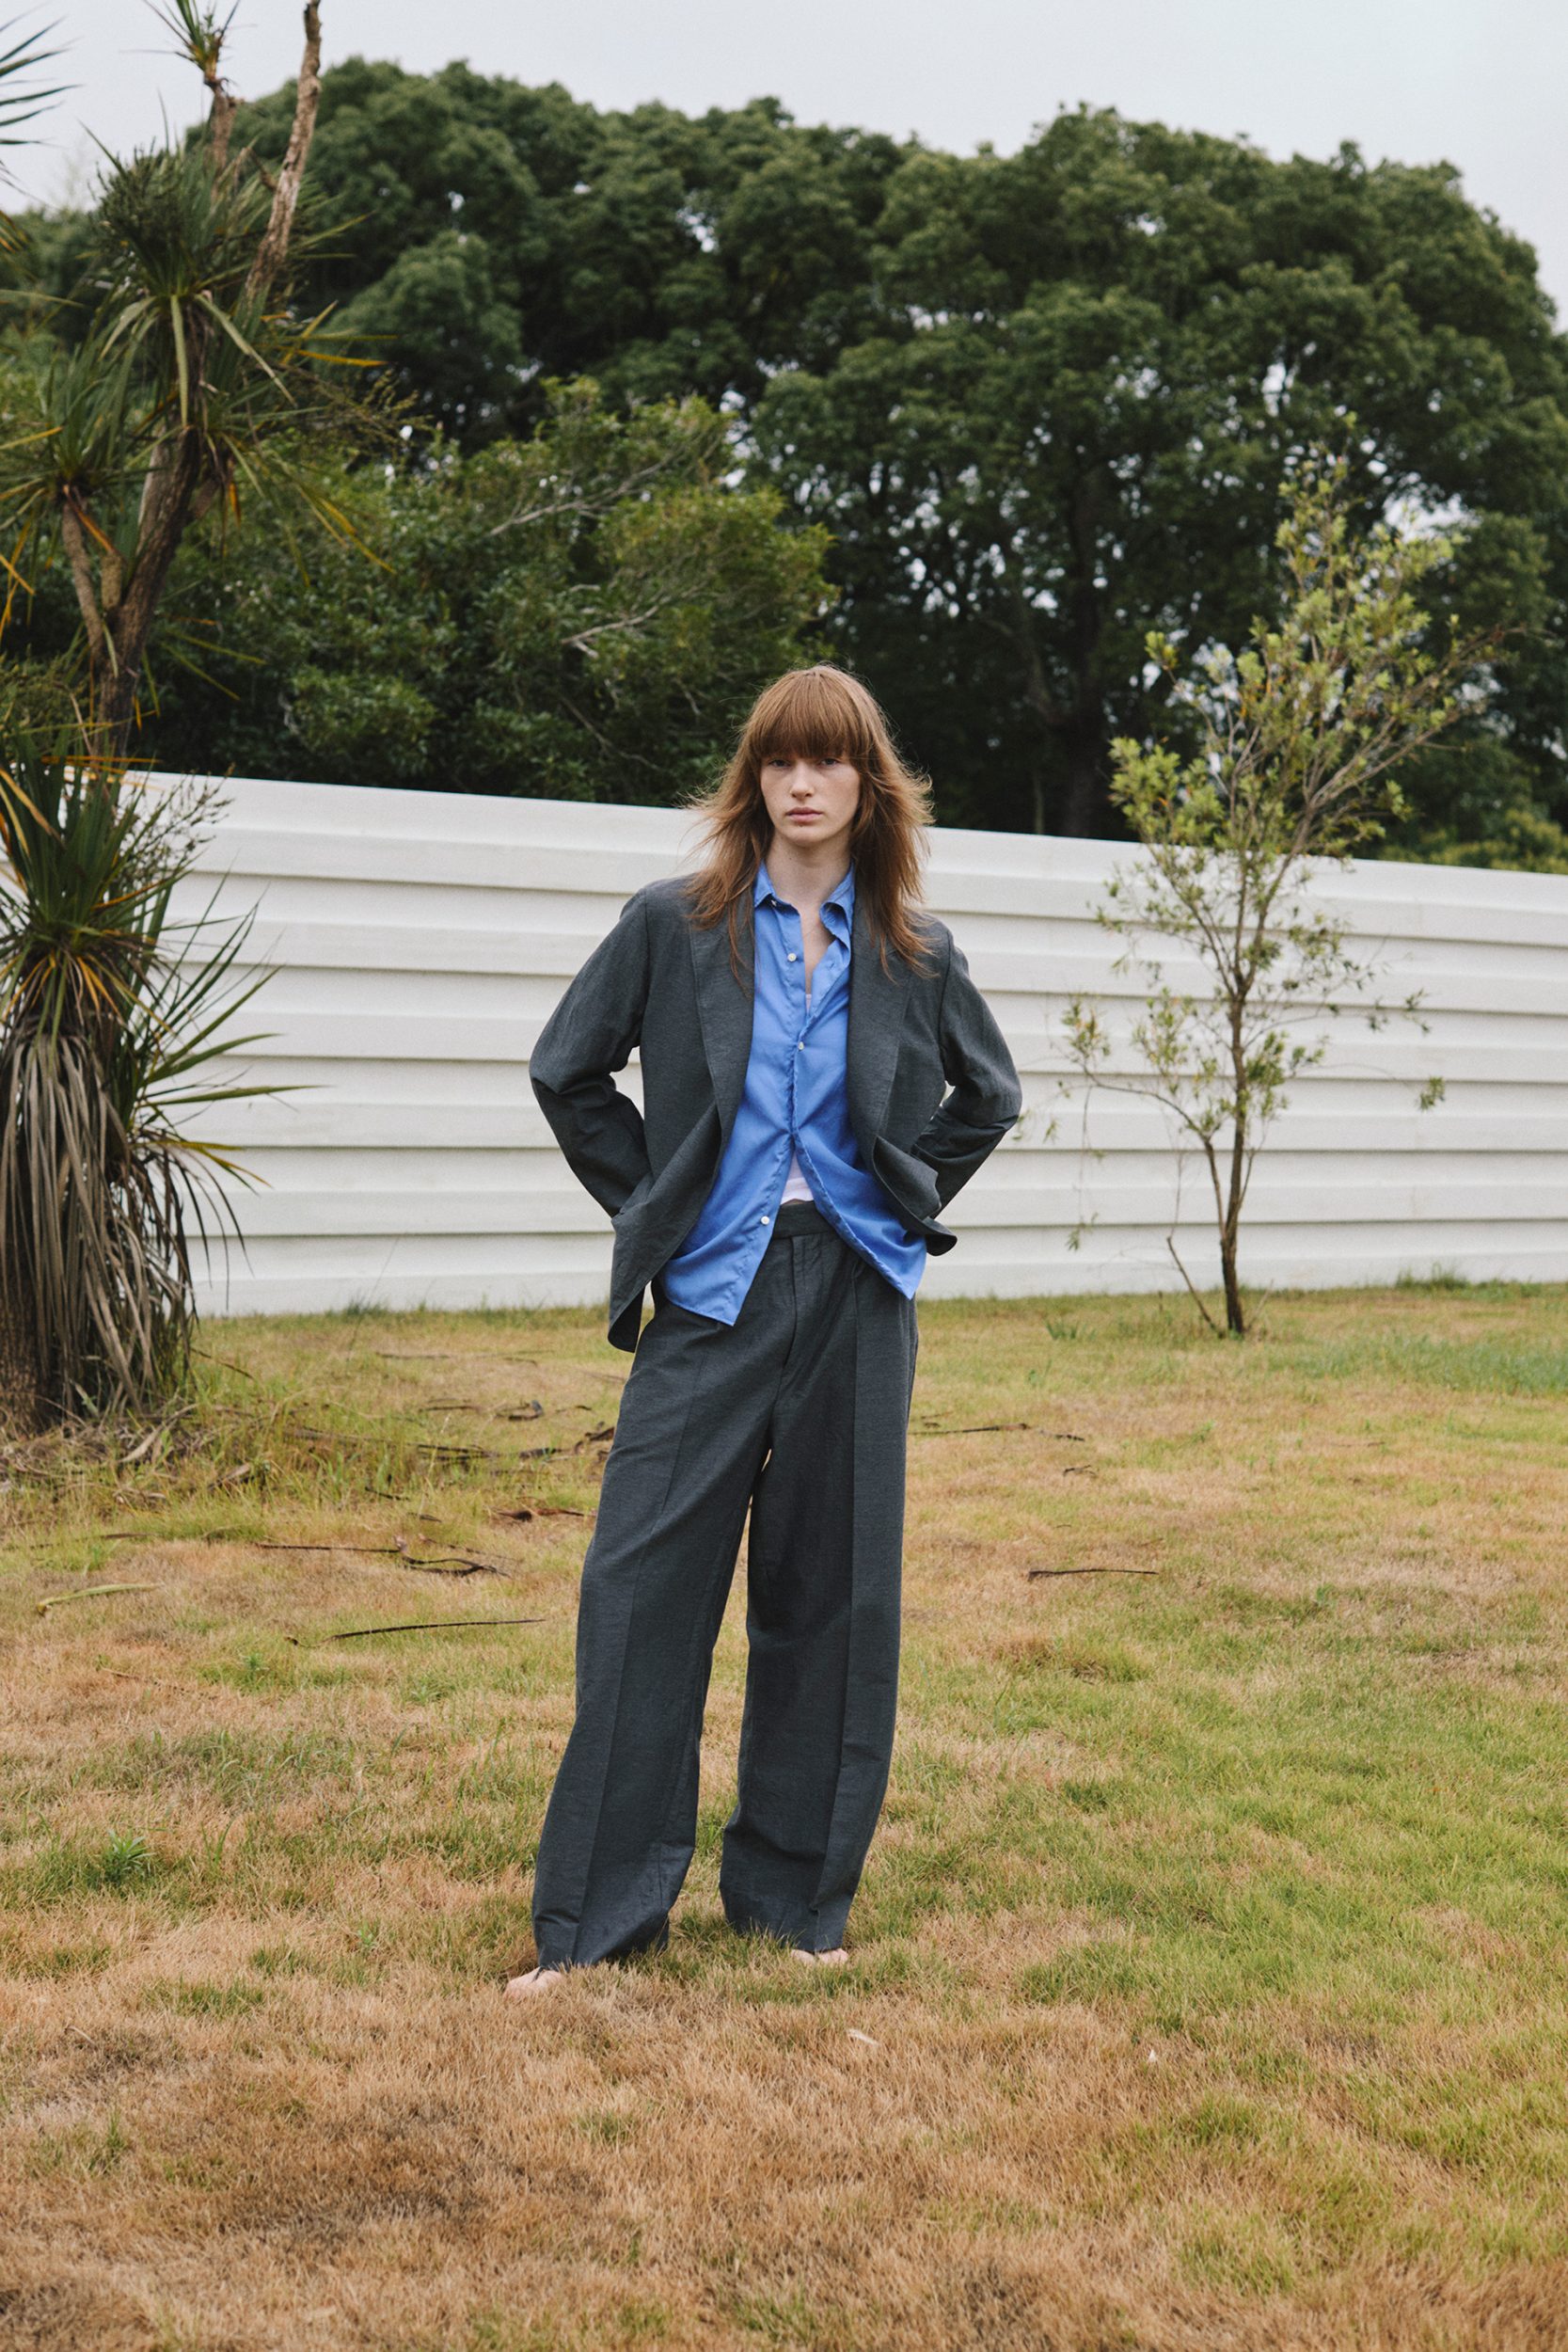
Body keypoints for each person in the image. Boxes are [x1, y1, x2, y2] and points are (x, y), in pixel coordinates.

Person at [506, 663, 1021, 1997]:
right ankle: (594, 1925)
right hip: (709, 1291)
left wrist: (904, 1197)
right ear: (755, 778)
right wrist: (656, 1204)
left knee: (835, 1601)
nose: (803, 784)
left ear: (866, 783)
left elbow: (990, 1095)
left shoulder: (914, 950)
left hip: (857, 1290)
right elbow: (567, 1070)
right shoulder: (673, 925)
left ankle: (794, 1910)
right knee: (639, 1593)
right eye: (781, 760)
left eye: (829, 760)